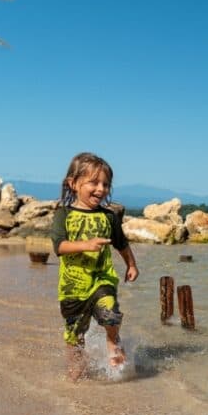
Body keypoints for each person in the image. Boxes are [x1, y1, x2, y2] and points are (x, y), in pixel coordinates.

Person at [51, 152, 139, 381]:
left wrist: (131, 264)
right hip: (73, 286)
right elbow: (59, 246)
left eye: (106, 184)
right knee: (74, 333)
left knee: (111, 313)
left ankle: (112, 339)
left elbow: (121, 243)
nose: (101, 189)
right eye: (94, 182)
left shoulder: (109, 217)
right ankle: (76, 374)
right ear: (73, 183)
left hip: (102, 278)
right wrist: (86, 245)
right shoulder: (64, 214)